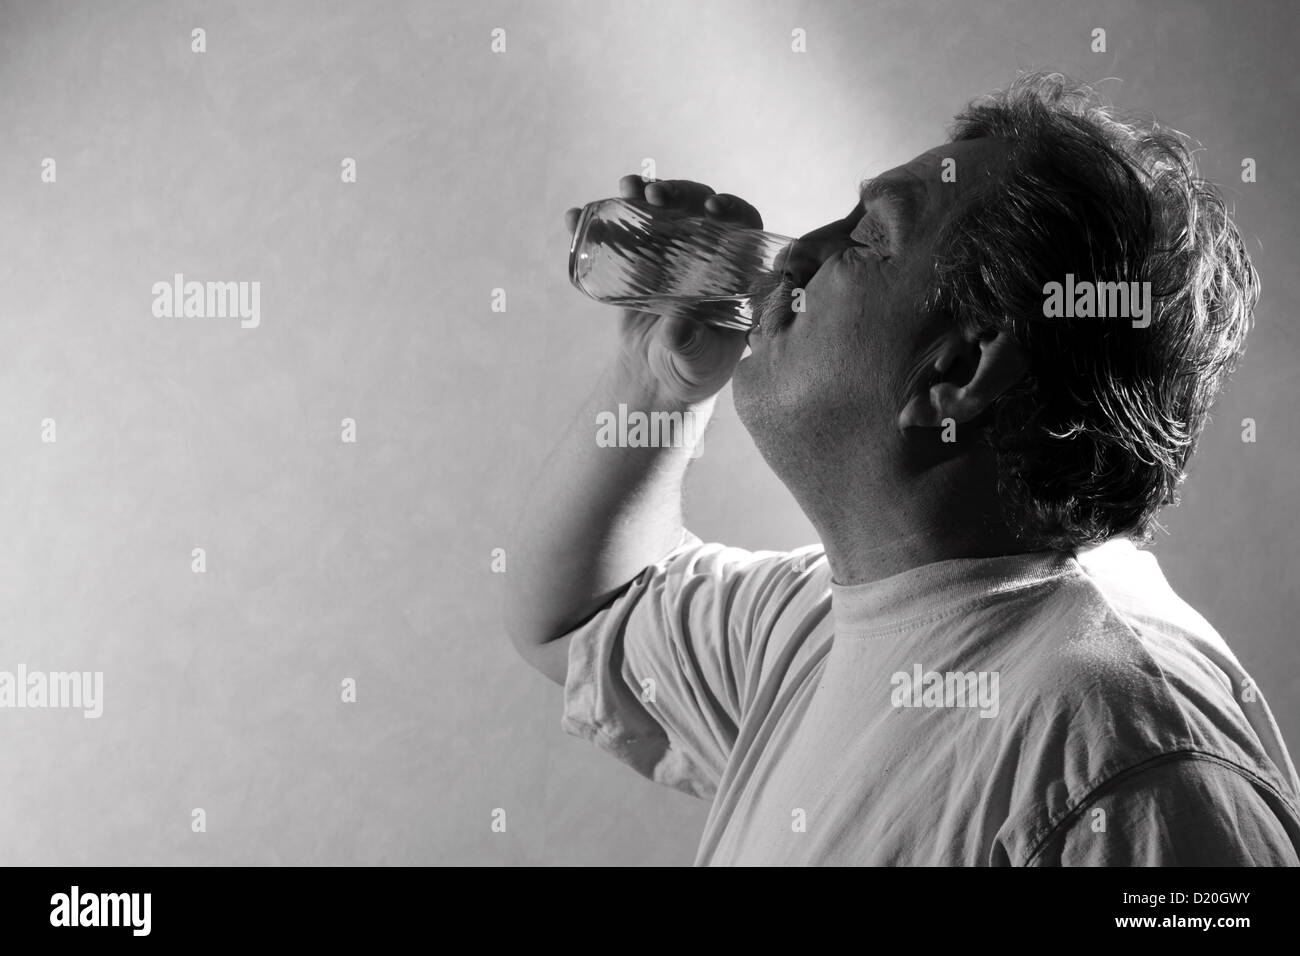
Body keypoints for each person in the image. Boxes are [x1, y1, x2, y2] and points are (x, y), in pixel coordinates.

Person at [503, 73, 1300, 865]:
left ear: (956, 369)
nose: (796, 254)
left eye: (863, 238)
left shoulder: (1122, 758)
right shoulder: (813, 621)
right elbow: (577, 619)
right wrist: (658, 384)